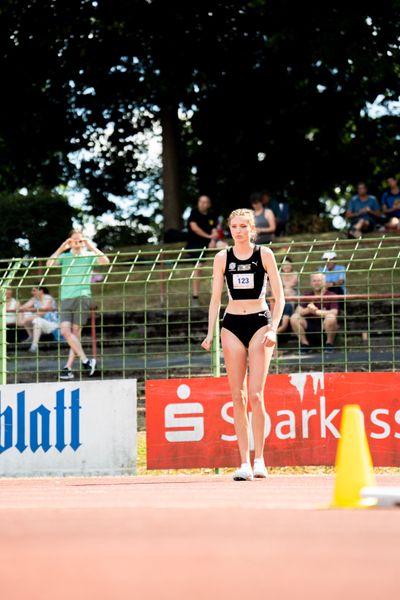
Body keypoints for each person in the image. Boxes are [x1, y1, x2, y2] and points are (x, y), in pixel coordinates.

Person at [201, 208, 284, 481]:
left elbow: (280, 297)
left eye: (243, 226)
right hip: (232, 324)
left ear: (252, 229)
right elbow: (215, 298)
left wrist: (273, 329)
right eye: (234, 226)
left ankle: (260, 459)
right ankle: (244, 463)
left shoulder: (265, 255)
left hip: (260, 322)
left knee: (257, 394)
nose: (238, 231)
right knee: (238, 396)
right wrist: (210, 333)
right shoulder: (221, 257)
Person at [46, 230, 110, 380]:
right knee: (65, 332)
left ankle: (68, 367)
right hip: (66, 297)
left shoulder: (88, 256)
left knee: (75, 334)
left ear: (83, 241)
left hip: (82, 296)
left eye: (80, 240)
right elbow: (49, 264)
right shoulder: (65, 257)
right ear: (69, 241)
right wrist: (61, 248)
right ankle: (86, 361)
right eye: (74, 240)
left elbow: (105, 261)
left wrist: (91, 246)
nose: (77, 242)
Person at [186, 195, 226, 307]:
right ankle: (195, 297)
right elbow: (194, 228)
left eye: (205, 202)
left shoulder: (211, 215)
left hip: (209, 241)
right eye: (201, 202)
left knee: (225, 247)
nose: (203, 204)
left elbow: (215, 230)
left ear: (209, 204)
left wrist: (213, 239)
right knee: (198, 266)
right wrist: (209, 238)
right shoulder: (194, 213)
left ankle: (228, 274)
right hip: (195, 243)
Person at [290, 273, 339, 353]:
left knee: (331, 317)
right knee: (294, 317)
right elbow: (298, 311)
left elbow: (334, 312)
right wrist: (308, 310)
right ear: (311, 283)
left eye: (319, 280)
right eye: (314, 281)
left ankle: (329, 344)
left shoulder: (331, 295)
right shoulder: (307, 295)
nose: (316, 283)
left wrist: (316, 311)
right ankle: (305, 345)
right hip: (309, 327)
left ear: (324, 282)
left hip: (324, 327)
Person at [28, 287, 60, 353]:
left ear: (41, 291)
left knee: (37, 320)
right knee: (30, 316)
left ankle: (34, 345)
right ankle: (32, 338)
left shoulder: (48, 298)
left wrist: (27, 319)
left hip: (53, 325)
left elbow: (42, 312)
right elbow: (23, 307)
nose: (32, 293)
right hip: (43, 325)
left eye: (34, 291)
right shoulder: (35, 299)